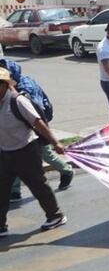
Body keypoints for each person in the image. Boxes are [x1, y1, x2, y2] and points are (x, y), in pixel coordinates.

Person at [0, 68, 67, 235]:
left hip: (26, 150)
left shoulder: (18, 101)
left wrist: (56, 143)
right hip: (5, 152)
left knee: (38, 185)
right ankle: (0, 225)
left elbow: (38, 124)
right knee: (1, 189)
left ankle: (55, 215)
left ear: (4, 86)